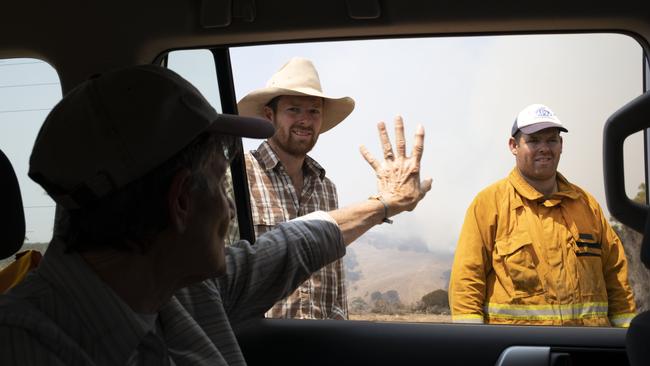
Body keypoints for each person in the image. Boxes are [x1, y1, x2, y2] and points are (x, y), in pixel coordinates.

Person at [0, 64, 431, 365]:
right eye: (220, 184)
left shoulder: (183, 288)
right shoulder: (28, 345)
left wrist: (385, 204)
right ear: (182, 201)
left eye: (312, 109)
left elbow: (294, 243)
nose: (229, 207)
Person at [449, 103, 637, 327]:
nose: (544, 148)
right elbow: (466, 283)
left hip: (588, 350)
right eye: (534, 141)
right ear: (513, 146)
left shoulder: (587, 205)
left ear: (561, 145)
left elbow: (616, 279)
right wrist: (474, 347)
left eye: (551, 140)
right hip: (519, 350)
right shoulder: (488, 204)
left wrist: (624, 342)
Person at [236, 57, 355, 319]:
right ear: (270, 116)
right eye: (293, 110)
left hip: (321, 345)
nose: (305, 120)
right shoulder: (238, 177)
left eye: (314, 111)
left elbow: (335, 275)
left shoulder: (327, 188)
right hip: (260, 343)